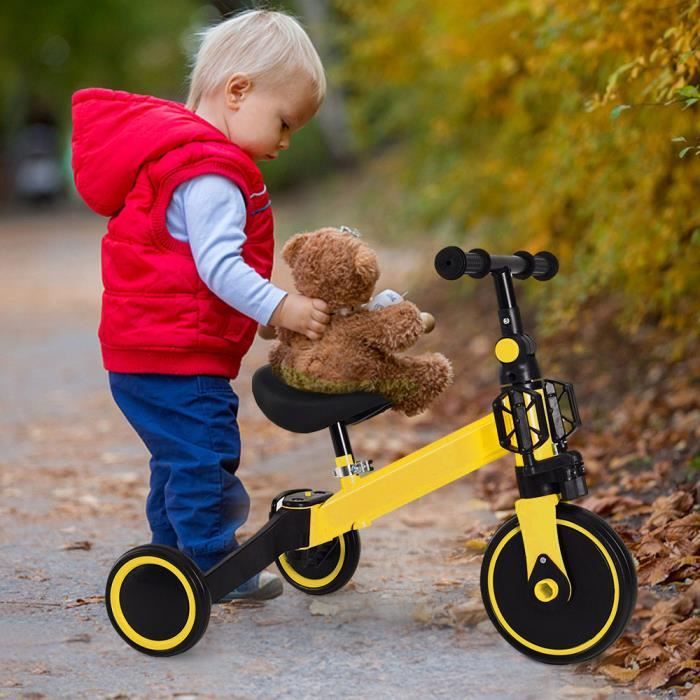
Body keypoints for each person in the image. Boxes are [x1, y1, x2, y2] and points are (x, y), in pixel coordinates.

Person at [71, 9, 330, 601]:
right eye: (284, 123)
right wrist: (278, 308)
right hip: (175, 355)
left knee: (178, 459)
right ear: (239, 91)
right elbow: (219, 270)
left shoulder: (179, 157)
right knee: (205, 456)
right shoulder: (209, 171)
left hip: (146, 351)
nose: (285, 143)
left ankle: (172, 560)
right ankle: (216, 565)